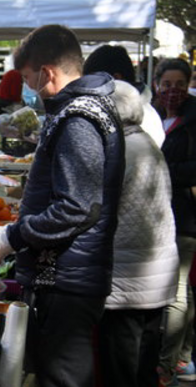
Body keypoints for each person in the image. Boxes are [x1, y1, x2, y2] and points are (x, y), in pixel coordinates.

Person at [0, 25, 124, 387]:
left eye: (28, 78)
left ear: (46, 73)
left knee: (62, 377)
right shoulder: (88, 109)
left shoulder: (78, 118)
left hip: (65, 278)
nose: (28, 89)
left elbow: (77, 206)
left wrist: (15, 235)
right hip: (69, 273)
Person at [93, 80, 178, 387]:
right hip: (154, 274)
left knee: (122, 367)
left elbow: (95, 209)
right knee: (143, 364)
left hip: (128, 279)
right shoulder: (145, 143)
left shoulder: (121, 150)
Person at [154, 58, 196, 386]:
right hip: (157, 214)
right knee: (184, 290)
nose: (172, 91)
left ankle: (166, 365)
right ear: (157, 85)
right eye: (167, 84)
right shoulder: (152, 115)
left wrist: (159, 173)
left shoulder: (194, 119)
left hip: (184, 216)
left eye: (179, 85)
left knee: (177, 290)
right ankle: (183, 357)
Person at [83, 44, 165, 147]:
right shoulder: (135, 112)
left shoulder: (142, 121)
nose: (90, 91)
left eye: (94, 83)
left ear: (116, 79)